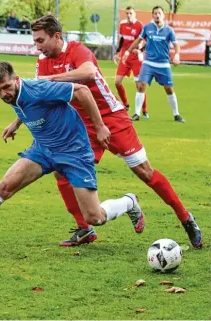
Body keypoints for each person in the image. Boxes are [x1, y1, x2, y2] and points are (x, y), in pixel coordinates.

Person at [0, 61, 145, 252]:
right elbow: (31, 107)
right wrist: (16, 123)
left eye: (6, 87)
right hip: (43, 149)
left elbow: (82, 91)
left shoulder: (37, 88)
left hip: (73, 152)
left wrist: (99, 127)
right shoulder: (15, 96)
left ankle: (128, 202)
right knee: (3, 188)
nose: (4, 93)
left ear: (16, 79)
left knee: (94, 217)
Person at [32, 15, 202, 248]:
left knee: (145, 172)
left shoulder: (77, 50)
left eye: (41, 40)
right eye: (35, 41)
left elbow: (89, 72)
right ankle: (84, 228)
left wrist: (51, 79)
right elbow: (40, 97)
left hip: (112, 118)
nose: (37, 46)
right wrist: (17, 122)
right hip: (83, 126)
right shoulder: (42, 60)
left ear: (56, 36)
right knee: (62, 171)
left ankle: (186, 218)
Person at [125, 6, 184, 122]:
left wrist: (177, 55)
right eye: (155, 13)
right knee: (141, 85)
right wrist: (128, 51)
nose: (157, 15)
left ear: (163, 15)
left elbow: (176, 44)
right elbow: (138, 40)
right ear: (152, 15)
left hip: (163, 64)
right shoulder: (147, 27)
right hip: (148, 63)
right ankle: (136, 113)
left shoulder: (169, 30)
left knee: (169, 89)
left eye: (159, 13)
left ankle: (176, 114)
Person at [113, 6, 149, 118]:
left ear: (135, 14)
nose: (128, 15)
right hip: (125, 57)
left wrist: (140, 50)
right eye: (127, 13)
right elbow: (122, 40)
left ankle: (144, 110)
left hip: (136, 58)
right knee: (117, 82)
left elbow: (146, 41)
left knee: (139, 85)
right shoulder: (122, 24)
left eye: (130, 13)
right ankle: (126, 104)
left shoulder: (140, 25)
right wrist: (117, 52)